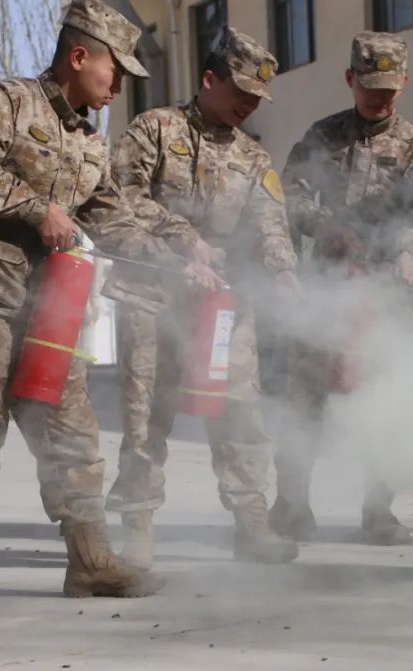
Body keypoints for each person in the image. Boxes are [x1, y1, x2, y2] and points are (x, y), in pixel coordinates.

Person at [0, 0, 187, 619]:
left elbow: (114, 219)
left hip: (50, 315)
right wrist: (37, 209)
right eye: (116, 70)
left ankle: (90, 564)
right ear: (79, 54)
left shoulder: (91, 145)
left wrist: (176, 262)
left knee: (73, 438)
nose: (119, 84)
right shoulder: (5, 102)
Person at [102, 26, 301, 569]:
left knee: (240, 411)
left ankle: (251, 522)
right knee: (147, 416)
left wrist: (283, 269)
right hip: (152, 293)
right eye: (240, 91)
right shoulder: (154, 129)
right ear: (208, 79)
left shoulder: (253, 156)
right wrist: (180, 242)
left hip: (220, 304)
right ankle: (138, 527)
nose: (248, 104)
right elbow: (119, 196)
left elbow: (269, 222)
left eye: (257, 97)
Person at [270, 31, 413, 545]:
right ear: (350, 80)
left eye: (390, 89)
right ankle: (292, 505)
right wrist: (326, 226)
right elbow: (288, 197)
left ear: (405, 83)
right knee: (303, 402)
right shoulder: (322, 137)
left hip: (387, 297)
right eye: (370, 87)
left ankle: (378, 511)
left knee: (385, 403)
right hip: (325, 294)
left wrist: (412, 249)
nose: (380, 97)